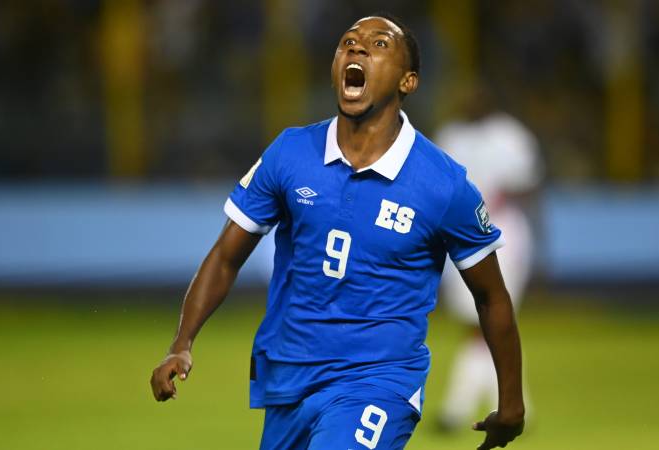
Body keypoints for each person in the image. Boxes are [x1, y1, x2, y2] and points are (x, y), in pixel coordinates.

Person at [150, 13, 525, 450]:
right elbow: (226, 256)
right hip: (289, 377)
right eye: (348, 41)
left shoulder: (443, 184)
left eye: (379, 44)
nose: (358, 48)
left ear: (408, 82)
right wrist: (182, 342)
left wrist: (512, 402)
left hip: (378, 381)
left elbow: (492, 296)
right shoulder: (291, 153)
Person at [434, 86, 542, 432]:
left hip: (504, 232)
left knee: (489, 320)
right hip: (459, 235)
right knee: (483, 325)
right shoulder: (449, 136)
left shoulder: (510, 136)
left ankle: (455, 409)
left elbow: (529, 186)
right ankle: (518, 404)